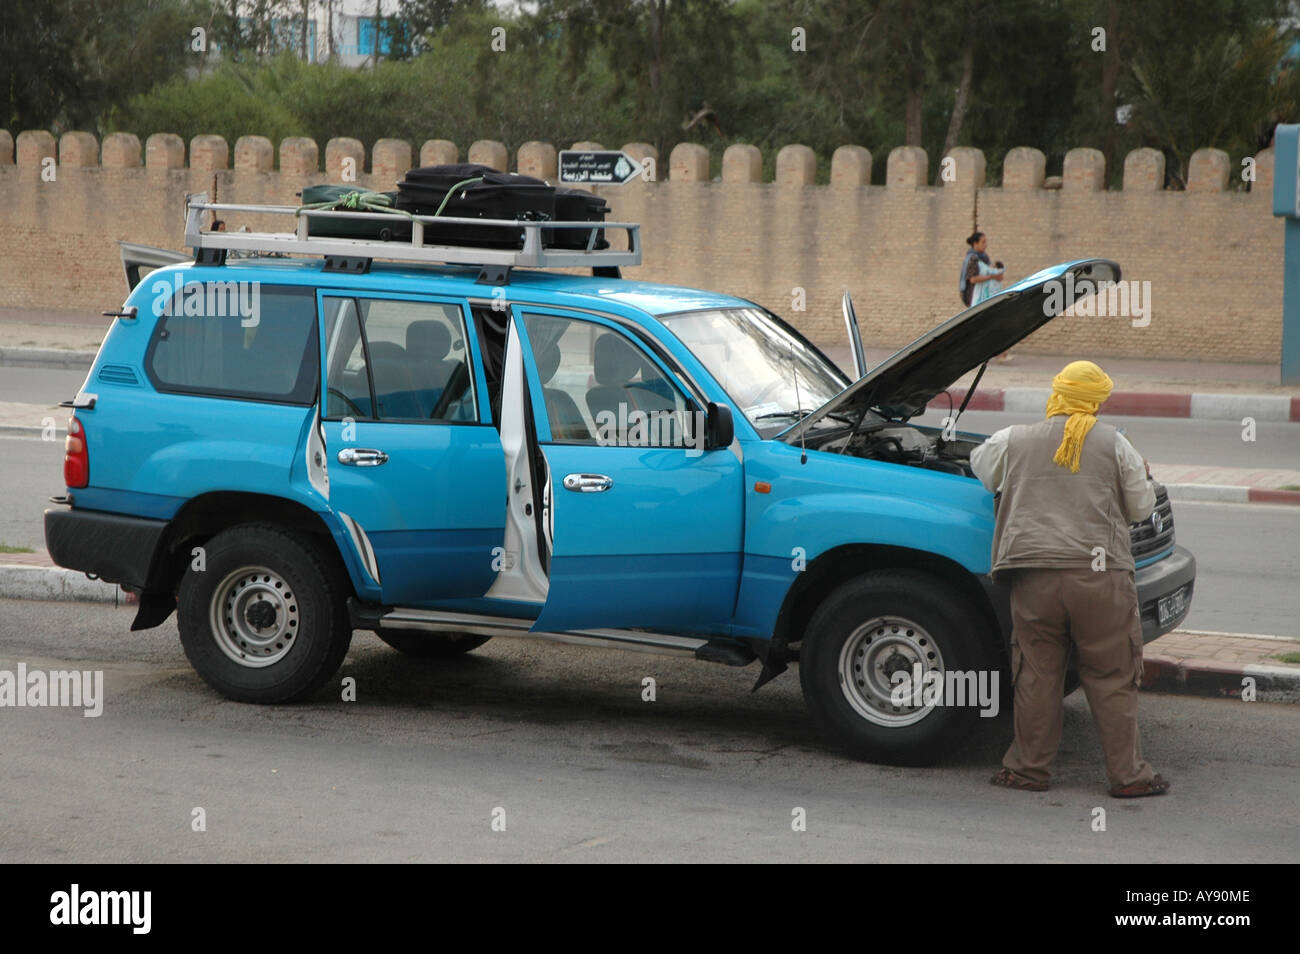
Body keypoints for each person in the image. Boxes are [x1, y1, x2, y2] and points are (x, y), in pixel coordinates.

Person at [970, 360, 1170, 798]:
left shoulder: (1014, 439)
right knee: (1112, 676)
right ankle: (1129, 777)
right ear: (1097, 400)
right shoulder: (1116, 444)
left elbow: (982, 469)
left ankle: (1027, 770)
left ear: (1057, 393)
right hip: (1101, 580)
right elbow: (1139, 509)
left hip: (1035, 577)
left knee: (1037, 674)